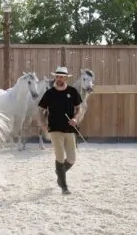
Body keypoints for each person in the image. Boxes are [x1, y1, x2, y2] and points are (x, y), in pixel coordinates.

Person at [37, 66, 82, 194]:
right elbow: (41, 109)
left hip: (69, 129)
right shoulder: (49, 93)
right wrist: (43, 124)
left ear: (66, 78)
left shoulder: (72, 92)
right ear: (55, 77)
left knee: (72, 159)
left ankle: (59, 173)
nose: (59, 78)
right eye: (57, 76)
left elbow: (79, 109)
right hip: (54, 129)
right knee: (60, 157)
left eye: (61, 76)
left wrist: (75, 119)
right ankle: (64, 186)